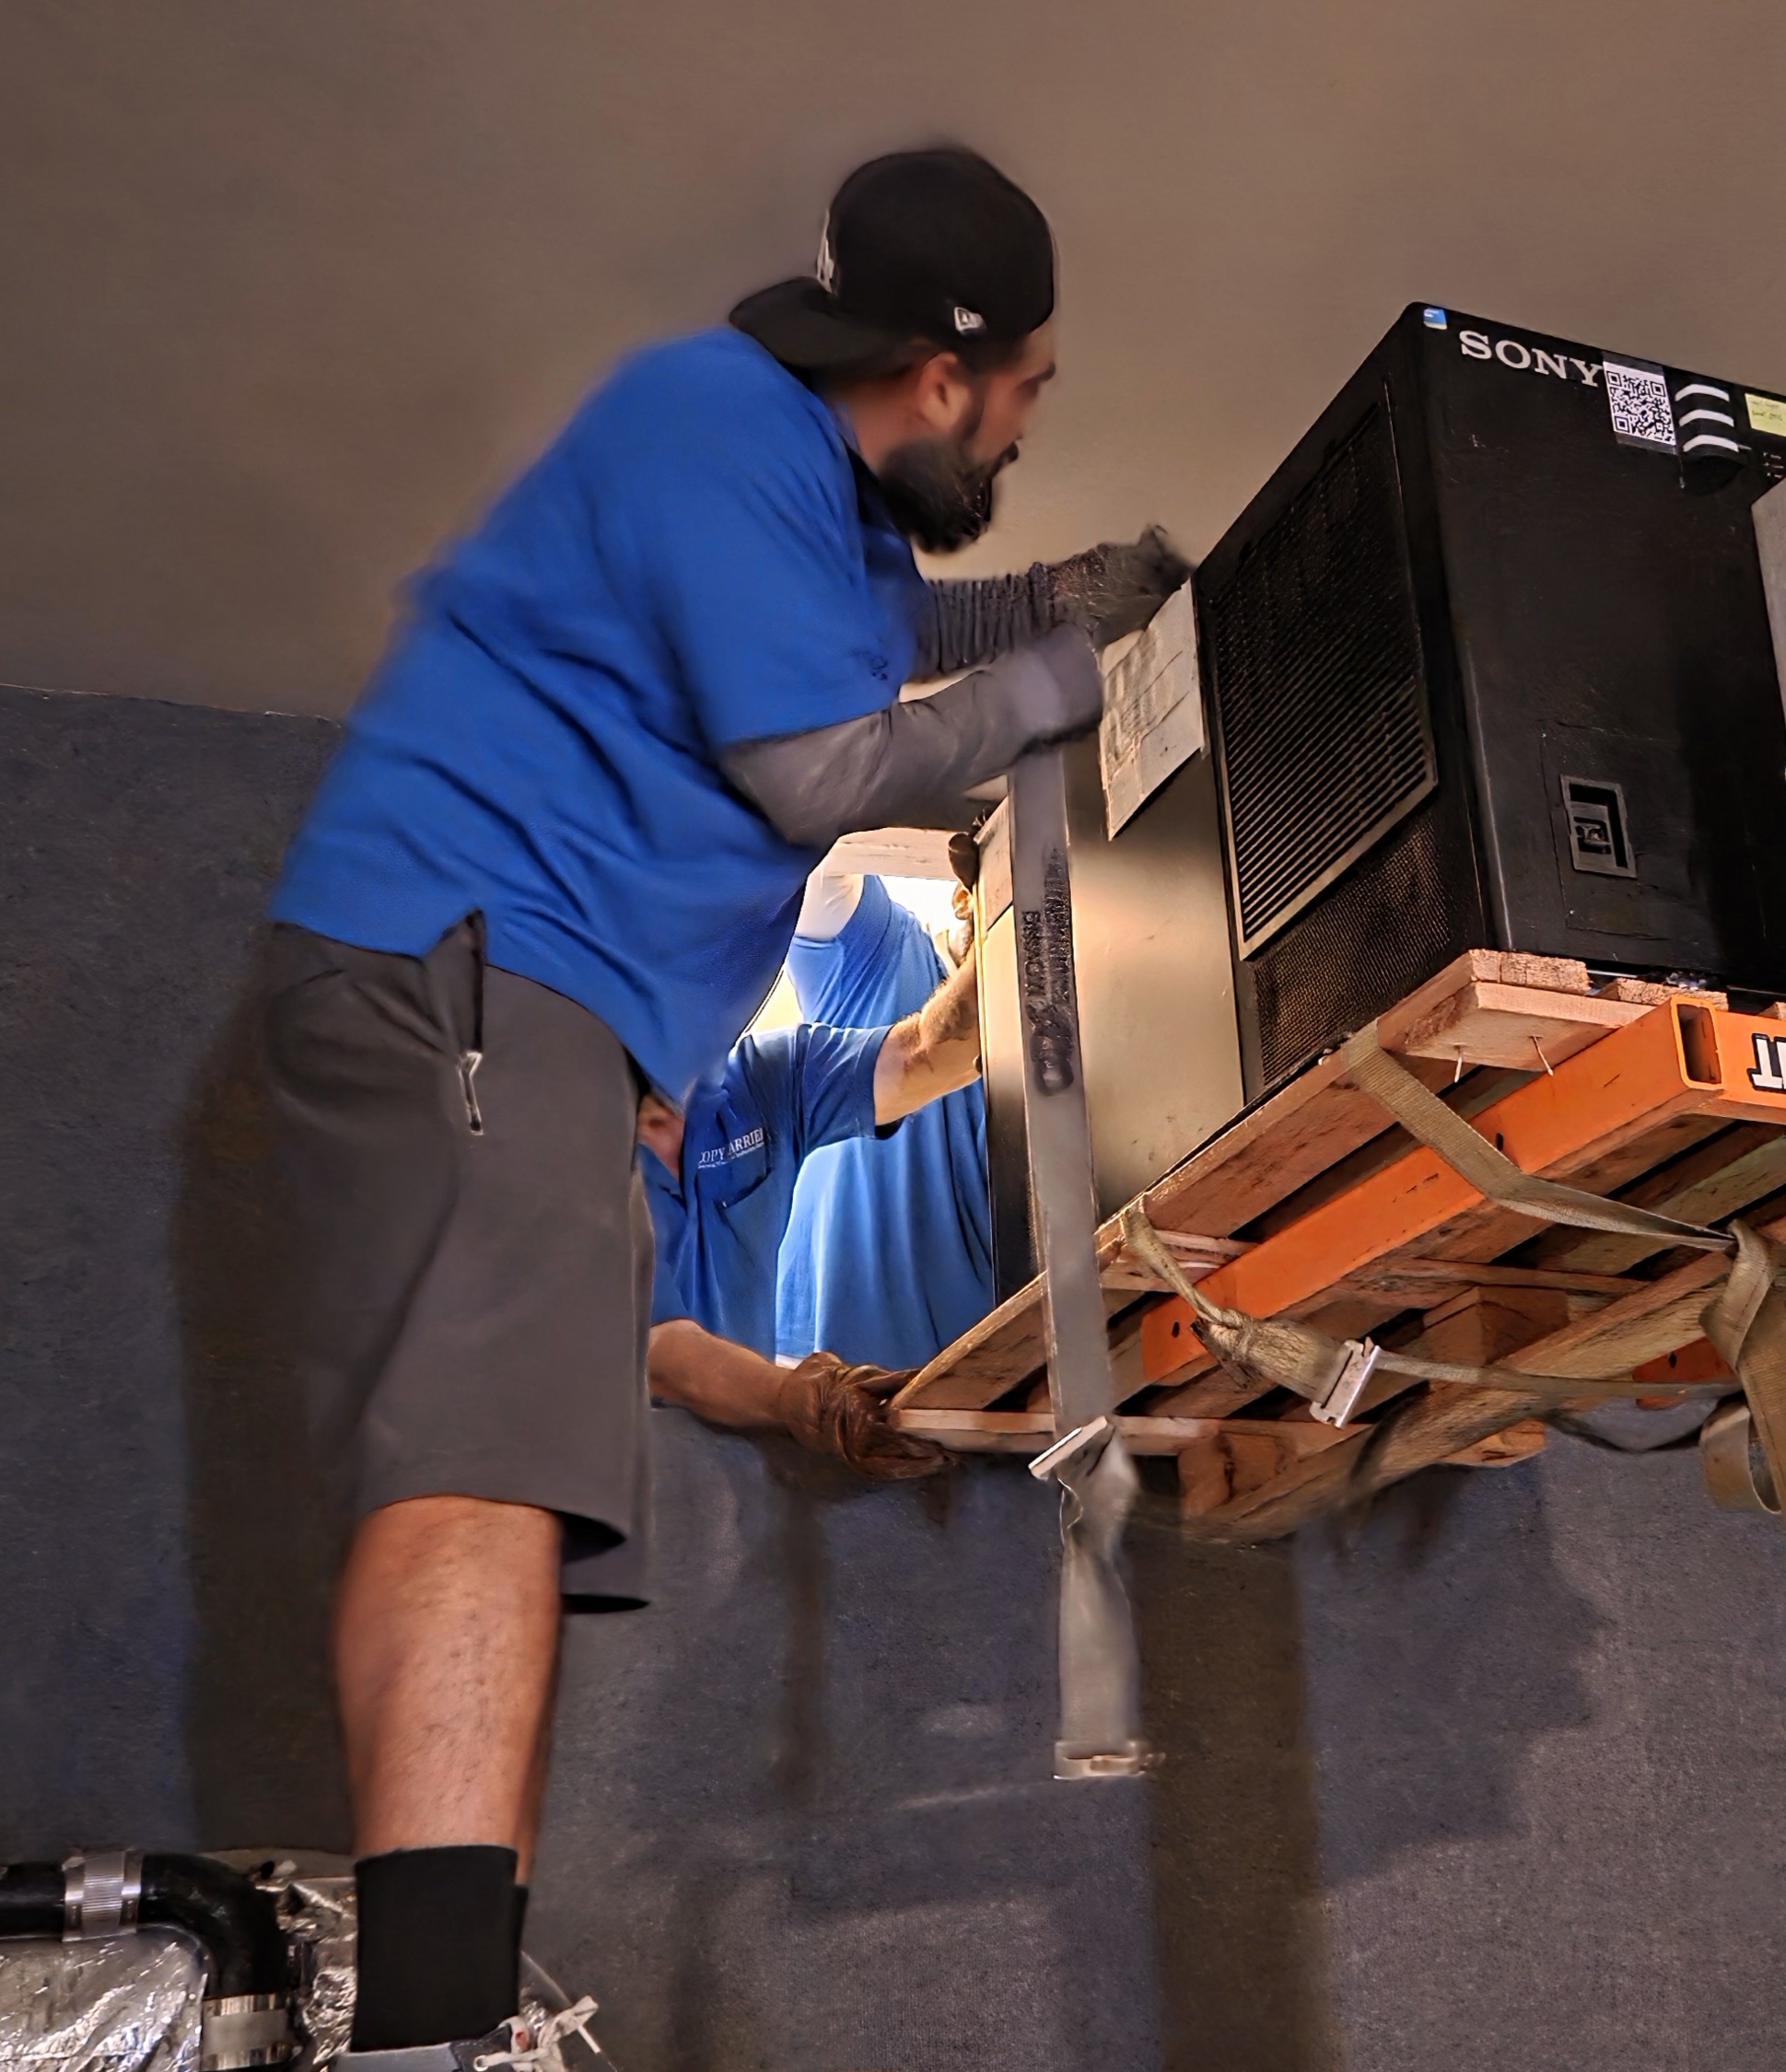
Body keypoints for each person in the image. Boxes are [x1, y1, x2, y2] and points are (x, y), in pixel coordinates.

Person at [259, 145, 1185, 2067]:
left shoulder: (819, 521)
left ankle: (437, 2014)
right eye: (1027, 387)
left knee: (499, 1488)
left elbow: (877, 654)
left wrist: (1054, 600)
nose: (1026, 418)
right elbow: (811, 767)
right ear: (946, 379)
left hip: (523, 1011)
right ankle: (431, 2043)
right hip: (475, 964)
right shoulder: (711, 416)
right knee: (481, 1484)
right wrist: (1047, 682)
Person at [634, 951, 980, 1478]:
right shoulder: (551, 1140)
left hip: (737, 1474)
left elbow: (923, 1055)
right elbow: (659, 1350)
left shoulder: (761, 1082)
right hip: (606, 1478)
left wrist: (1010, 925)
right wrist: (789, 1396)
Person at [774, 865, 995, 1372]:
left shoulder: (1073, 1051)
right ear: (964, 898)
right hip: (807, 1373)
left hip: (967, 1405)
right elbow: (817, 854)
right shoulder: (878, 953)